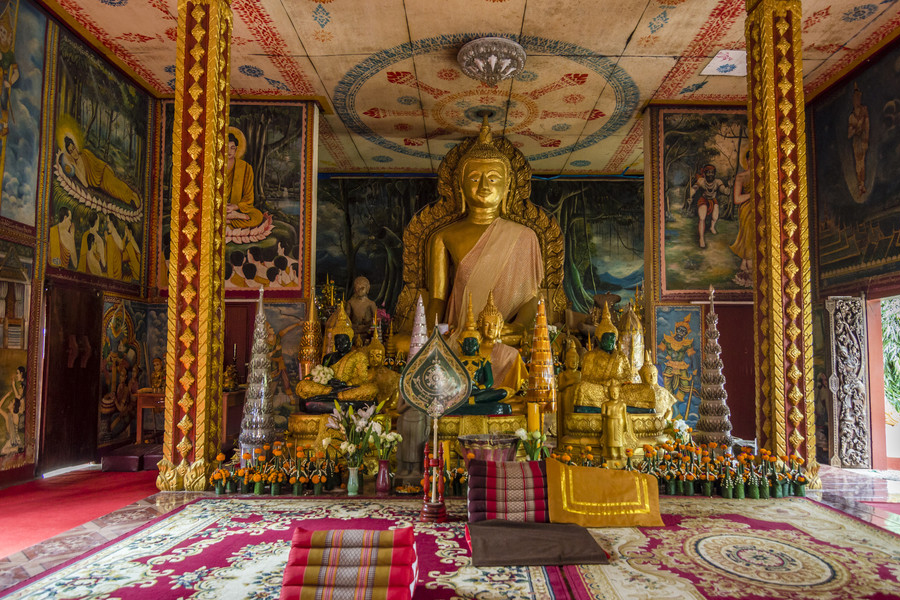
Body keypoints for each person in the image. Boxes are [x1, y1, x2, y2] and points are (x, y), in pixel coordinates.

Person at [425, 118, 543, 339]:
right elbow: (437, 299)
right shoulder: (444, 236)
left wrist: (517, 328)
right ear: (460, 185)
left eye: (493, 178)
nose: (484, 186)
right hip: (461, 333)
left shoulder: (525, 237)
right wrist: (427, 336)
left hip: (506, 336)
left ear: (507, 186)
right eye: (474, 177)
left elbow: (531, 299)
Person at [573, 304, 634, 412]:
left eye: (612, 339)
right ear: (598, 340)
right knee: (582, 388)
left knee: (636, 391)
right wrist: (604, 382)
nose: (610, 342)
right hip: (599, 390)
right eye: (606, 339)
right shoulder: (590, 356)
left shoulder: (621, 356)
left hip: (618, 392)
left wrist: (617, 383)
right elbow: (585, 378)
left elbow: (628, 377)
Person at [61, 136, 141, 207]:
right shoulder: (76, 168)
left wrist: (106, 165)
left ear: (75, 146)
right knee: (114, 190)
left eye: (73, 148)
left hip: (103, 171)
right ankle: (130, 198)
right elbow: (85, 184)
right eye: (71, 151)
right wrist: (74, 166)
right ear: (70, 154)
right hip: (100, 182)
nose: (74, 152)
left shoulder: (85, 152)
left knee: (117, 183)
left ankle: (132, 194)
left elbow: (97, 161)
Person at [476, 290, 527, 393]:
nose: (490, 329)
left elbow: (522, 382)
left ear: (500, 327)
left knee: (505, 393)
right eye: (486, 324)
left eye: (494, 325)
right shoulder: (473, 349)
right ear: (480, 326)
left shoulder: (510, 353)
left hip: (499, 393)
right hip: (477, 392)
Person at [449, 335, 510, 416]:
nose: (470, 346)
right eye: (467, 343)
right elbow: (451, 380)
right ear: (462, 346)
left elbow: (489, 381)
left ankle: (470, 400)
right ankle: (473, 400)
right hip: (461, 392)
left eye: (473, 343)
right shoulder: (456, 361)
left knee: (503, 392)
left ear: (478, 346)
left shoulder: (483, 361)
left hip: (478, 391)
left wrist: (480, 387)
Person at [225, 129, 263, 229]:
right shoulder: (214, 166)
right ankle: (230, 219)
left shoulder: (246, 168)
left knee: (257, 216)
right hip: (218, 207)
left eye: (232, 148)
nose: (229, 151)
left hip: (237, 209)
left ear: (236, 149)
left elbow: (249, 198)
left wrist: (235, 207)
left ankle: (232, 218)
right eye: (226, 148)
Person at [730, 150, 754, 287]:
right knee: (749, 235)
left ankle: (745, 265)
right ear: (747, 161)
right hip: (746, 209)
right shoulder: (741, 177)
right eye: (750, 159)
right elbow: (737, 199)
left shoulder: (762, 176)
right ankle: (748, 266)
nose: (753, 162)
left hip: (758, 208)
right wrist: (753, 195)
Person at [691, 164, 729, 249]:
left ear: (714, 174)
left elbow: (724, 190)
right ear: (704, 173)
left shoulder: (718, 182)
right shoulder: (701, 181)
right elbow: (694, 189)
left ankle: (712, 227)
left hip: (713, 200)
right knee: (702, 218)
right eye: (708, 173)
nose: (710, 174)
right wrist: (690, 195)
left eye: (712, 172)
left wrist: (729, 187)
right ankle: (701, 239)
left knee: (715, 217)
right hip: (703, 199)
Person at [848, 84, 869, 196]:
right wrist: (856, 129)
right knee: (858, 163)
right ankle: (860, 184)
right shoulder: (852, 116)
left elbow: (867, 125)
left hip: (862, 140)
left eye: (858, 98)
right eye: (855, 98)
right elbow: (849, 134)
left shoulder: (864, 110)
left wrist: (866, 138)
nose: (857, 100)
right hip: (856, 141)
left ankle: (862, 183)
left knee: (862, 162)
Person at [0, 366, 25, 455]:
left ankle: (16, 449)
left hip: (14, 440)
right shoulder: (11, 415)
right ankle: (16, 449)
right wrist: (7, 394)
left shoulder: (13, 415)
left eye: (11, 402)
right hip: (14, 440)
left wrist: (8, 394)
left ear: (13, 406)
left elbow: (18, 398)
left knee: (3, 451)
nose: (9, 403)